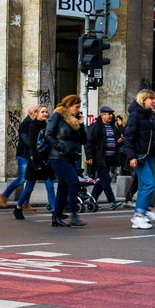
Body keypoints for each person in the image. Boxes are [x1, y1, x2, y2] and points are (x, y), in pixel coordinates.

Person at [45, 94, 87, 227]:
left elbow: (83, 140)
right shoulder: (58, 116)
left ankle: (56, 217)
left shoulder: (74, 121)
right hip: (57, 157)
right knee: (74, 182)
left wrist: (82, 125)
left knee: (63, 188)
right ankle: (73, 215)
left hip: (69, 158)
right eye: (77, 106)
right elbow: (48, 135)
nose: (78, 109)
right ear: (69, 106)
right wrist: (61, 147)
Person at [124, 90, 155, 230]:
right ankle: (139, 215)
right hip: (140, 156)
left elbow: (154, 140)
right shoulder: (135, 115)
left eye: (154, 99)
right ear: (143, 100)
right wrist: (132, 156)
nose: (154, 101)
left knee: (144, 187)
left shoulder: (150, 116)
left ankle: (139, 215)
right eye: (151, 99)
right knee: (149, 184)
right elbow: (128, 137)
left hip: (150, 156)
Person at [13, 105, 57, 220]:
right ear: (36, 113)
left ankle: (55, 212)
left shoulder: (47, 125)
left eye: (46, 112)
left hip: (46, 161)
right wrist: (36, 161)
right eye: (42, 112)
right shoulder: (32, 126)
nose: (45, 114)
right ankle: (18, 207)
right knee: (29, 188)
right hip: (35, 161)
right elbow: (33, 144)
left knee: (50, 187)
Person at [85, 106, 123, 210]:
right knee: (106, 179)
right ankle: (112, 201)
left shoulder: (113, 127)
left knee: (102, 180)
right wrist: (89, 156)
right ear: (102, 115)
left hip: (109, 158)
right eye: (108, 114)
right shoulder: (96, 126)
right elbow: (89, 142)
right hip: (99, 158)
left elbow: (114, 141)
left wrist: (119, 141)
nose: (111, 116)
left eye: (111, 114)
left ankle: (92, 201)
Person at [0, 106, 36, 211]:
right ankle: (4, 195)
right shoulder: (25, 124)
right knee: (22, 179)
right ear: (31, 113)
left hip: (32, 155)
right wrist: (34, 145)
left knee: (31, 180)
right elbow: (24, 138)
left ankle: (25, 203)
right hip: (23, 155)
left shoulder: (35, 124)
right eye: (36, 112)